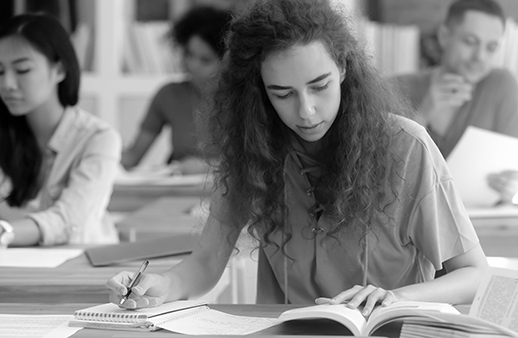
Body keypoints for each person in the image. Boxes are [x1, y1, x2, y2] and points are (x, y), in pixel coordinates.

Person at [107, 0, 488, 315]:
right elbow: (206, 263)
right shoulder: (252, 149)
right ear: (260, 91)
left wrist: (397, 298)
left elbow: (474, 275)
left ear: (342, 67)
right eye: (282, 94)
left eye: (319, 86)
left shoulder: (407, 148)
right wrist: (159, 285)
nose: (306, 111)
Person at [0, 13, 121, 246]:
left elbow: (69, 221)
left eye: (23, 70)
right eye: (0, 72)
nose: (7, 85)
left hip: (80, 272)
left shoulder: (98, 138)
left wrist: (6, 231)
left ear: (60, 70)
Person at [388, 0, 518, 204]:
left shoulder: (501, 86)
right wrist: (423, 113)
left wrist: (510, 185)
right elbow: (383, 172)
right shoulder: (396, 88)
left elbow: (511, 171)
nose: (480, 57)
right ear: (444, 36)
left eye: (491, 47)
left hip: (478, 222)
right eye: (470, 41)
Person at [120, 6, 230, 175]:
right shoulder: (168, 95)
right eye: (188, 54)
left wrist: (206, 166)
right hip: (178, 192)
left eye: (205, 60)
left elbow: (260, 163)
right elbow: (132, 157)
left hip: (231, 193)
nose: (193, 64)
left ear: (227, 62)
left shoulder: (245, 98)